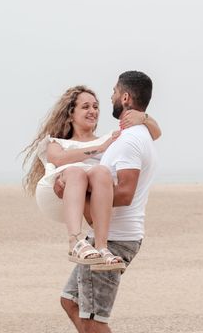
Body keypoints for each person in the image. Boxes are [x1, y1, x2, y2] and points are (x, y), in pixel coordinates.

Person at [57, 71, 159, 332]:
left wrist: (75, 193)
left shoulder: (131, 141)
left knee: (92, 320)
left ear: (125, 97)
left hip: (116, 239)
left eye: (114, 92)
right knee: (70, 301)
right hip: (106, 236)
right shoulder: (132, 134)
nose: (110, 96)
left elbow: (125, 194)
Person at [22, 85, 161, 271]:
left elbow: (156, 133)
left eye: (95, 107)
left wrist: (144, 118)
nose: (92, 111)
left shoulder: (108, 138)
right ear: (71, 114)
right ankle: (75, 241)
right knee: (76, 172)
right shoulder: (57, 142)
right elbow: (59, 159)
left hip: (89, 194)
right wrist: (100, 148)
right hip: (58, 188)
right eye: (85, 107)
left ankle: (102, 247)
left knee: (101, 172)